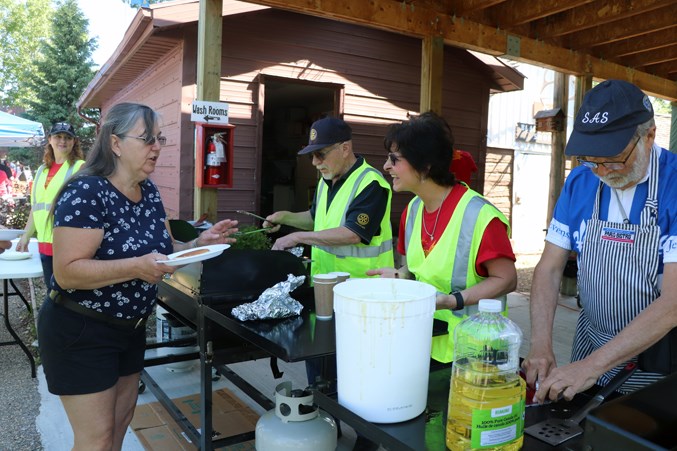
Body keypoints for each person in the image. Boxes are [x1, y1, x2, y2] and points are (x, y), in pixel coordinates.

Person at [37, 102, 240, 450]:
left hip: (129, 329)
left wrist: (198, 243)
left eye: (159, 138)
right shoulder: (86, 191)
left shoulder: (149, 191)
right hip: (82, 330)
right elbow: (67, 272)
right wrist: (135, 266)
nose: (157, 147)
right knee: (96, 440)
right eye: (147, 139)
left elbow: (161, 253)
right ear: (115, 144)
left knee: (117, 427)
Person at [522, 80, 677, 403]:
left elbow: (673, 304)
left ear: (649, 136)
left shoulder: (672, 185)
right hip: (590, 344)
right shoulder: (580, 181)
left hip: (660, 361)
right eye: (592, 160)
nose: (603, 171)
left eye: (615, 159)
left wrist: (591, 367)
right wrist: (541, 344)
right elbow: (550, 268)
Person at [366, 111, 517, 364]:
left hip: (475, 355)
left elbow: (507, 279)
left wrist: (454, 300)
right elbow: (417, 269)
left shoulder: (480, 216)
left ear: (425, 166)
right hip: (425, 342)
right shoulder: (412, 211)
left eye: (395, 159)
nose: (386, 166)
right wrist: (400, 274)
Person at [265, 116, 394, 279]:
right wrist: (284, 217)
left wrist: (297, 237)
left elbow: (352, 233)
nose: (314, 162)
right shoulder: (325, 180)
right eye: (311, 155)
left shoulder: (371, 183)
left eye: (320, 154)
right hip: (325, 283)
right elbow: (315, 219)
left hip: (361, 289)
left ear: (345, 149)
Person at [16, 122, 85, 287]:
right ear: (50, 139)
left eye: (68, 138)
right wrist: (26, 235)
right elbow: (37, 207)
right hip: (44, 245)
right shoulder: (41, 170)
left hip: (67, 246)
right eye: (58, 136)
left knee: (66, 296)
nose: (63, 141)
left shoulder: (80, 168)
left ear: (74, 141)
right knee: (53, 293)